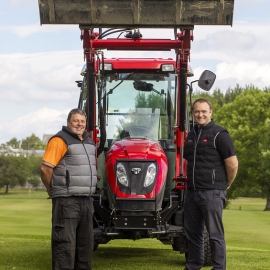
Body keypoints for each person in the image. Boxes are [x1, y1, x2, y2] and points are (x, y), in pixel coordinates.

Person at [183, 98, 238, 270]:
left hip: (212, 192)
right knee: (193, 234)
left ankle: (219, 268)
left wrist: (226, 183)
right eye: (197, 112)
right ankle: (193, 265)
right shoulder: (191, 135)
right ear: (193, 113)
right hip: (192, 192)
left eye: (203, 111)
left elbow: (232, 163)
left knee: (215, 235)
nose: (200, 114)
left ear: (210, 113)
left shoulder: (220, 134)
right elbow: (186, 161)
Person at [40, 108, 97, 270]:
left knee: (85, 246)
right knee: (64, 246)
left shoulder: (89, 142)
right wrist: (53, 190)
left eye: (82, 121)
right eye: (75, 120)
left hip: (86, 201)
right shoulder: (59, 141)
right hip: (66, 201)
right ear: (68, 122)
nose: (79, 124)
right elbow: (45, 169)